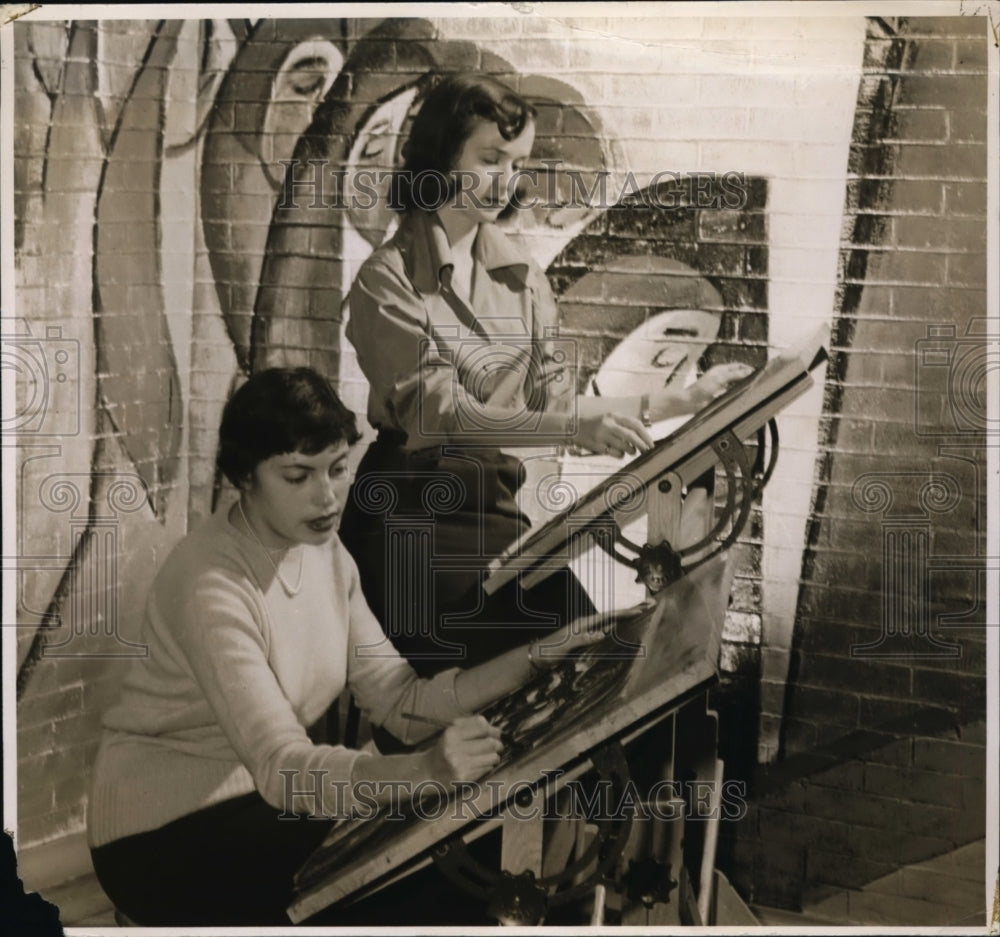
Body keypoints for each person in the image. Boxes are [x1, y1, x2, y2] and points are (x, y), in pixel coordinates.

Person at [86, 367, 605, 926]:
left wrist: (532, 660)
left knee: (468, 851)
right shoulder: (210, 584)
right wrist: (423, 772)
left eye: (336, 468)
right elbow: (282, 766)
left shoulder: (325, 552)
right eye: (298, 476)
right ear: (245, 478)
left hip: (265, 808)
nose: (328, 495)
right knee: (438, 882)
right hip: (165, 836)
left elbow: (399, 700)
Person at [340, 73, 751, 689]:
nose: (506, 178)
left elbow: (558, 403)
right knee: (529, 672)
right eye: (490, 158)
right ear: (440, 156)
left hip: (494, 515)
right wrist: (574, 422)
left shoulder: (522, 278)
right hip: (410, 524)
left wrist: (681, 400)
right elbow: (439, 414)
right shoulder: (387, 280)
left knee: (598, 662)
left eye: (518, 163)